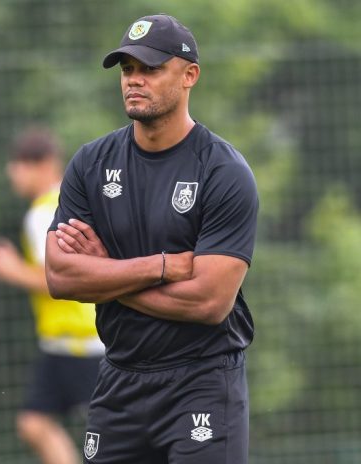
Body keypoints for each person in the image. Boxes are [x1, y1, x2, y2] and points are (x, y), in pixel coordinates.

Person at [45, 14, 258, 464]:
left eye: (151, 69)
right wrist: (160, 266)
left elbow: (209, 302)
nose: (134, 80)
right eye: (127, 70)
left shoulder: (223, 171)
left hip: (201, 381)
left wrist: (105, 275)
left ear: (189, 75)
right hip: (119, 379)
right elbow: (61, 278)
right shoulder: (90, 164)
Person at [0, 128, 103, 464]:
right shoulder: (76, 201)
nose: (12, 173)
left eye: (18, 165)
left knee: (113, 436)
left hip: (81, 342)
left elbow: (58, 278)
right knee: (34, 423)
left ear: (44, 164)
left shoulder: (43, 214)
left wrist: (12, 270)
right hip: (63, 344)